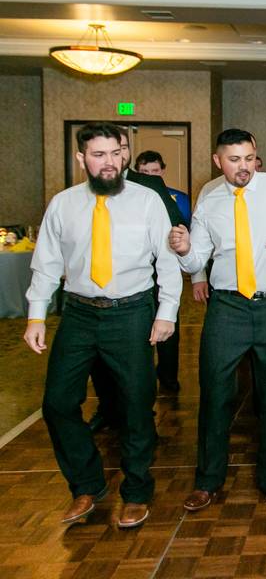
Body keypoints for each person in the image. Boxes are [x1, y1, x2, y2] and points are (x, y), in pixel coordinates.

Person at [24, 122, 181, 529]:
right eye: (99, 155)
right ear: (81, 159)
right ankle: (87, 486)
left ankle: (136, 491)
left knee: (135, 407)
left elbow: (167, 262)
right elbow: (46, 264)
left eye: (116, 153)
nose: (109, 163)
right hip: (78, 313)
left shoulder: (147, 201)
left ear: (124, 154)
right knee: (57, 403)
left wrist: (167, 313)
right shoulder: (62, 204)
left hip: (131, 313)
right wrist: (36, 316)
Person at [169, 128, 266, 512]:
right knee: (214, 394)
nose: (243, 168)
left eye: (248, 158)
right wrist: (185, 250)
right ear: (218, 160)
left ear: (256, 154)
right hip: (227, 308)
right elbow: (196, 261)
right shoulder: (209, 199)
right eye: (233, 160)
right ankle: (207, 481)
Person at [88, 130, 188, 432]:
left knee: (139, 355)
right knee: (99, 357)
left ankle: (142, 413)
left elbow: (172, 228)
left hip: (145, 281)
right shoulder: (88, 190)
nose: (112, 157)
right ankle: (107, 408)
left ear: (127, 152)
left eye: (119, 149)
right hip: (99, 286)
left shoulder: (149, 185)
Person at [135, 150, 191, 227]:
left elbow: (185, 228)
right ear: (137, 173)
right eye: (145, 171)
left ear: (162, 171)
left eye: (155, 171)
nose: (150, 176)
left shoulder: (181, 198)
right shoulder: (130, 197)